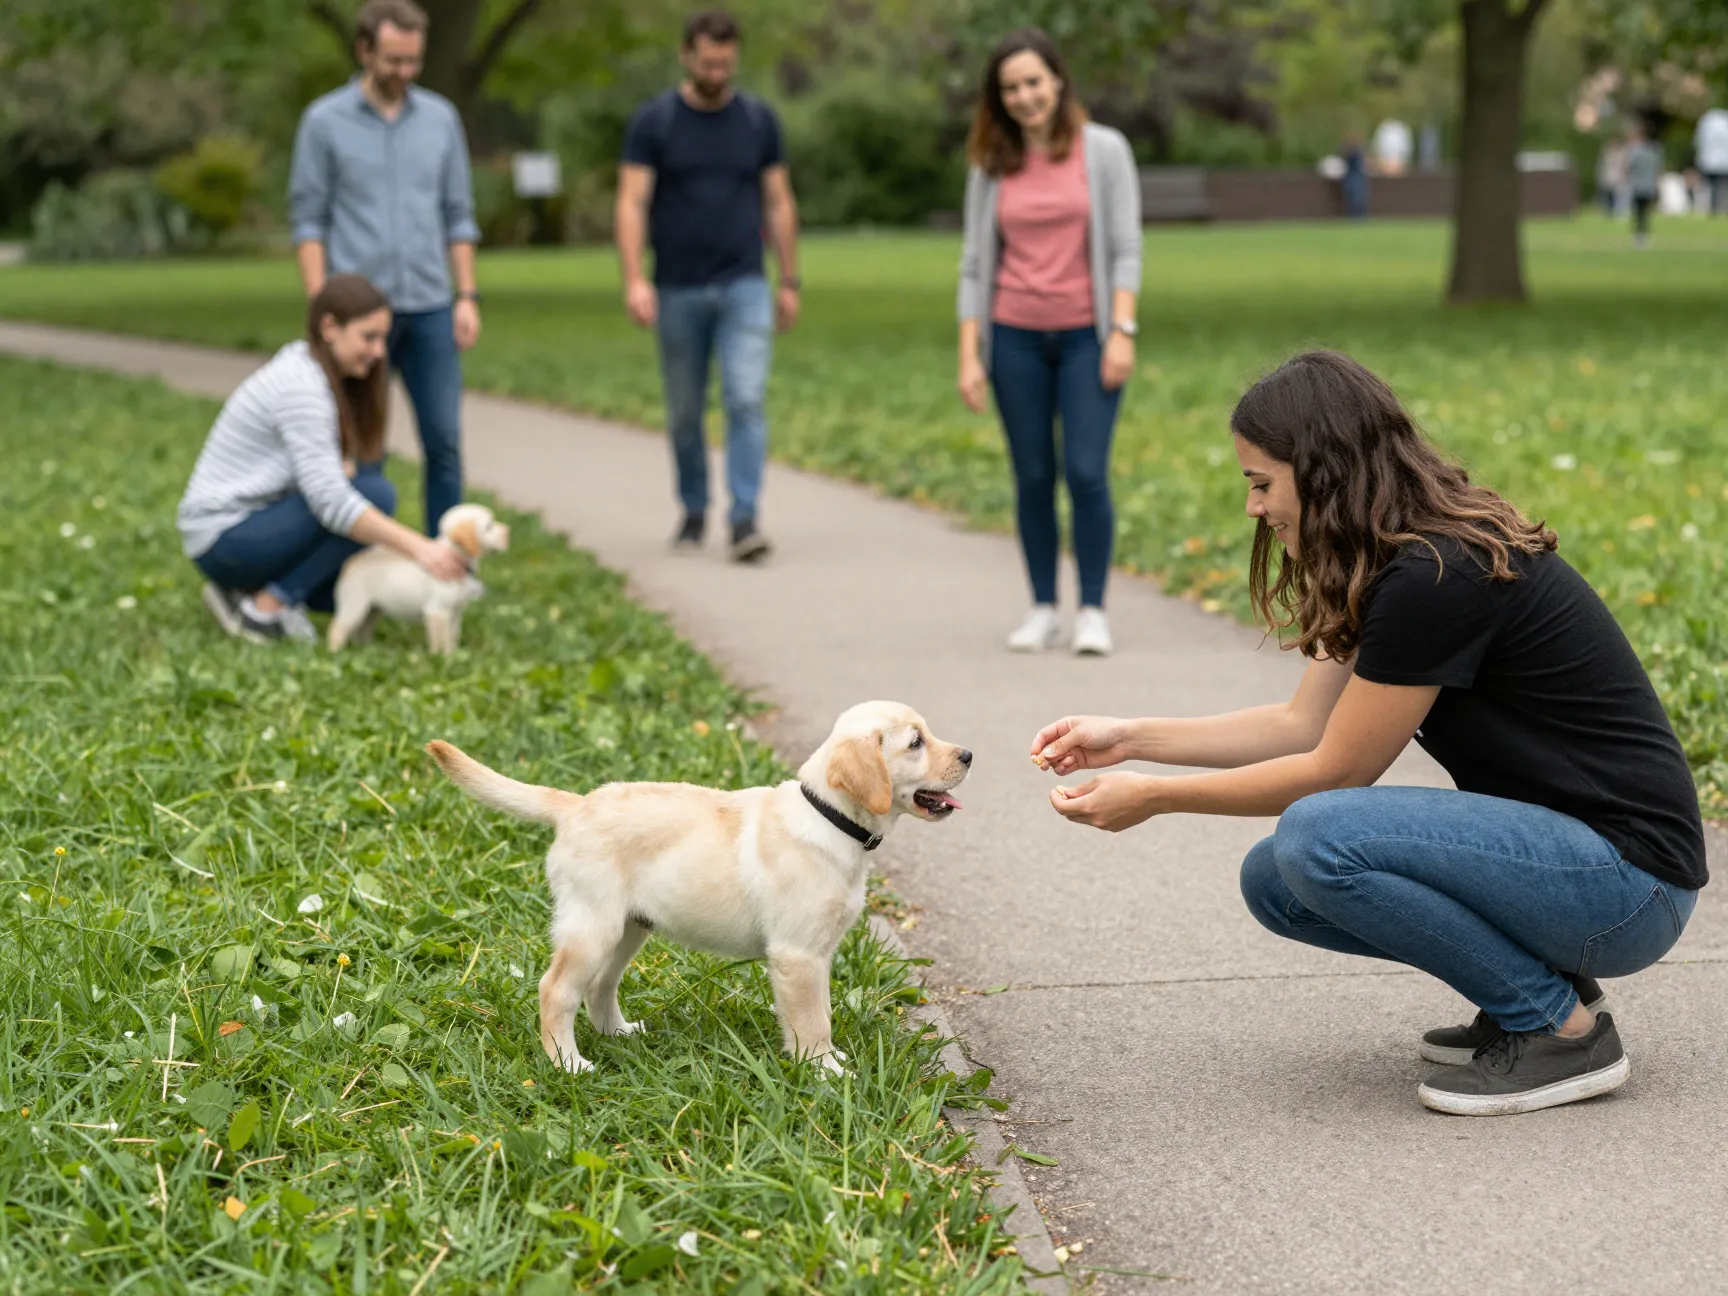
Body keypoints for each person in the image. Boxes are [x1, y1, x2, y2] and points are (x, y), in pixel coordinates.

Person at [1030, 350, 1706, 1117]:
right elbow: (1300, 724)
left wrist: (1154, 798)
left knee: (1319, 835)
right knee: (1276, 881)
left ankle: (1560, 1033)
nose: (1253, 508)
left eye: (1261, 484)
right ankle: (1532, 989)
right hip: (1581, 867)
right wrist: (1132, 738)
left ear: (1321, 473)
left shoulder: (1434, 577)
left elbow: (1335, 772)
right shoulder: (1395, 560)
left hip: (1628, 885)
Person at [956, 27, 1142, 656]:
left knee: (1086, 473)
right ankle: (1042, 607)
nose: (1025, 96)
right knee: (1033, 475)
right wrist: (970, 354)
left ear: (1058, 81)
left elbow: (1125, 248)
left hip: (1089, 337)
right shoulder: (992, 165)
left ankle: (1092, 609)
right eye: (1010, 88)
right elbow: (975, 263)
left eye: (1034, 81)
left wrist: (1121, 330)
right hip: (1014, 337)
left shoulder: (1104, 150)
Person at [179, 275, 468, 643]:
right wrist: (421, 549)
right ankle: (265, 609)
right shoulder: (302, 388)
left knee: (343, 592)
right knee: (375, 495)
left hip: (250, 527)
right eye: (369, 337)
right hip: (224, 538)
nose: (381, 351)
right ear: (330, 327)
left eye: (383, 338)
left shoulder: (313, 369)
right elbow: (330, 502)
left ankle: (244, 594)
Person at [289, 0, 482, 538]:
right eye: (394, 60)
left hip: (430, 306)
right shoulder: (324, 122)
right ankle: (364, 558)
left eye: (414, 61)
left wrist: (467, 296)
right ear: (365, 51)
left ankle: (447, 560)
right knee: (361, 445)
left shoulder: (441, 119)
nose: (405, 73)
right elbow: (309, 220)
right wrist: (321, 305)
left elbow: (458, 215)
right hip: (358, 315)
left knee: (443, 441)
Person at [616, 8, 800, 564]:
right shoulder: (656, 123)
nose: (717, 72)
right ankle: (694, 507)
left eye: (726, 62)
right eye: (707, 62)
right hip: (677, 286)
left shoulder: (757, 121)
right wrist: (633, 279)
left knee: (745, 397)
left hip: (745, 280)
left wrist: (788, 278)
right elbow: (632, 201)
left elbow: (779, 200)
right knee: (685, 409)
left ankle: (744, 518)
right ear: (686, 56)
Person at [1625, 121, 1661, 248]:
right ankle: (1644, 236)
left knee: (1638, 213)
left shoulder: (1636, 152)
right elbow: (1658, 170)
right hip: (1649, 186)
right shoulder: (1654, 151)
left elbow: (1629, 167)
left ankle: (1639, 236)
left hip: (1638, 186)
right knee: (1645, 213)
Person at [1694, 106, 1728, 215]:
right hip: (1718, 163)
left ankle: (1715, 208)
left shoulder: (1707, 123)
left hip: (1711, 162)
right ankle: (1716, 208)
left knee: (1713, 188)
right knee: (1717, 188)